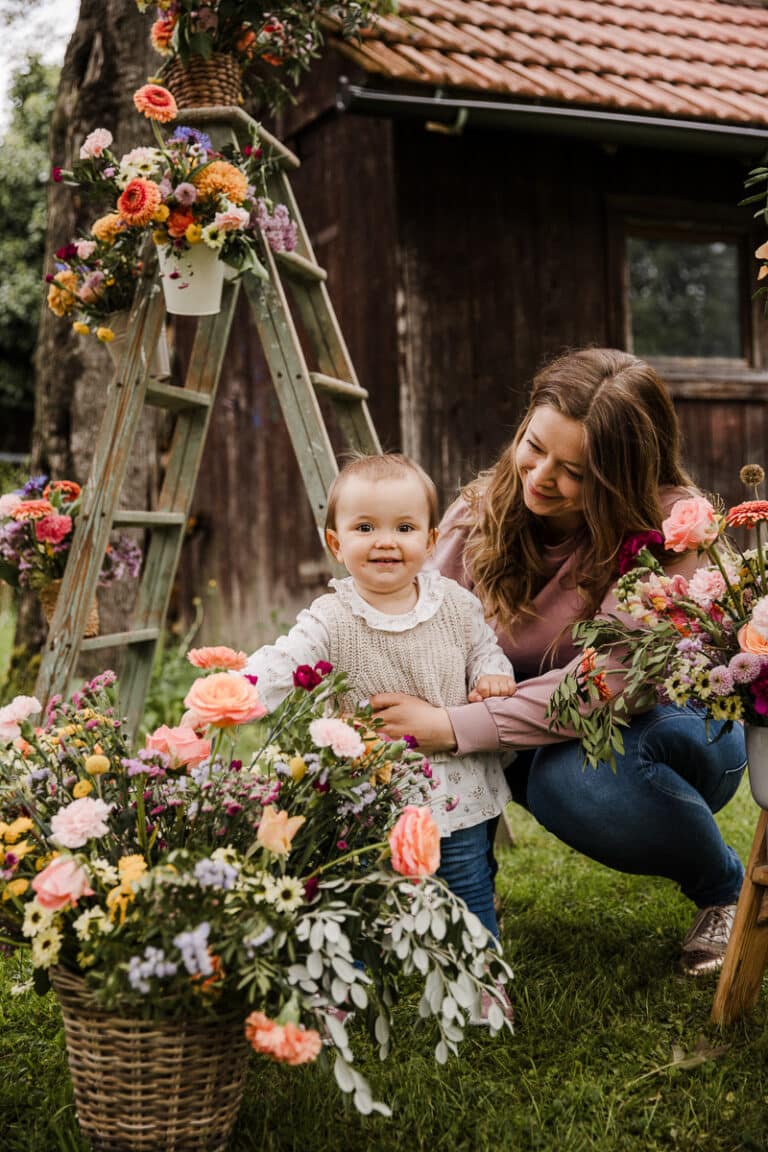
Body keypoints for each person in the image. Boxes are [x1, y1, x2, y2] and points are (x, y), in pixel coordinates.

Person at [368, 348, 747, 977]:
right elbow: (423, 633)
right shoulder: (482, 512)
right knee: (465, 716)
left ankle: (725, 890)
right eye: (533, 446)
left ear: (621, 477)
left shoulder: (675, 531)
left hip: (677, 726)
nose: (540, 476)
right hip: (537, 723)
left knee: (573, 781)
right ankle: (467, 889)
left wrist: (452, 725)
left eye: (573, 470)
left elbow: (613, 682)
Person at [245, 453, 517, 941]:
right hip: (366, 792)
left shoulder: (455, 604)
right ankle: (354, 985)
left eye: (405, 527)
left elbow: (485, 651)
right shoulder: (331, 617)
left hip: (454, 787)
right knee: (360, 893)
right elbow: (287, 659)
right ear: (336, 542)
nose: (386, 541)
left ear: (431, 540)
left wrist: (493, 676)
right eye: (366, 527)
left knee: (467, 885)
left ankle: (483, 984)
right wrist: (237, 691)